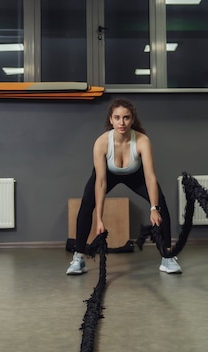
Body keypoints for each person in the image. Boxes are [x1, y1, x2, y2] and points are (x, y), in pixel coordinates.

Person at [66, 98, 182, 275]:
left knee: (161, 204)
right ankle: (78, 258)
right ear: (110, 119)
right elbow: (101, 182)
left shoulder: (142, 141)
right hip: (107, 174)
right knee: (86, 206)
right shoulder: (102, 143)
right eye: (117, 117)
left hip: (136, 175)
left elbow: (150, 177)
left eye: (126, 118)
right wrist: (99, 219)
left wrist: (154, 208)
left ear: (132, 119)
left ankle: (167, 257)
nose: (122, 122)